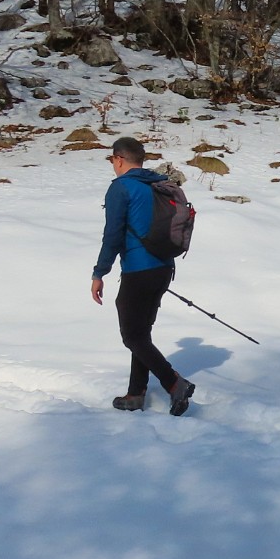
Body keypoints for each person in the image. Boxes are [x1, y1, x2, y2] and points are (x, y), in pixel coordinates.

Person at [90, 136, 195, 414]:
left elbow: (112, 235)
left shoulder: (121, 188)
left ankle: (174, 382)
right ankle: (135, 394)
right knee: (141, 333)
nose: (113, 165)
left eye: (113, 160)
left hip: (139, 269)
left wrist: (99, 273)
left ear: (119, 159)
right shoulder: (156, 183)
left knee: (132, 337)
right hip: (164, 268)